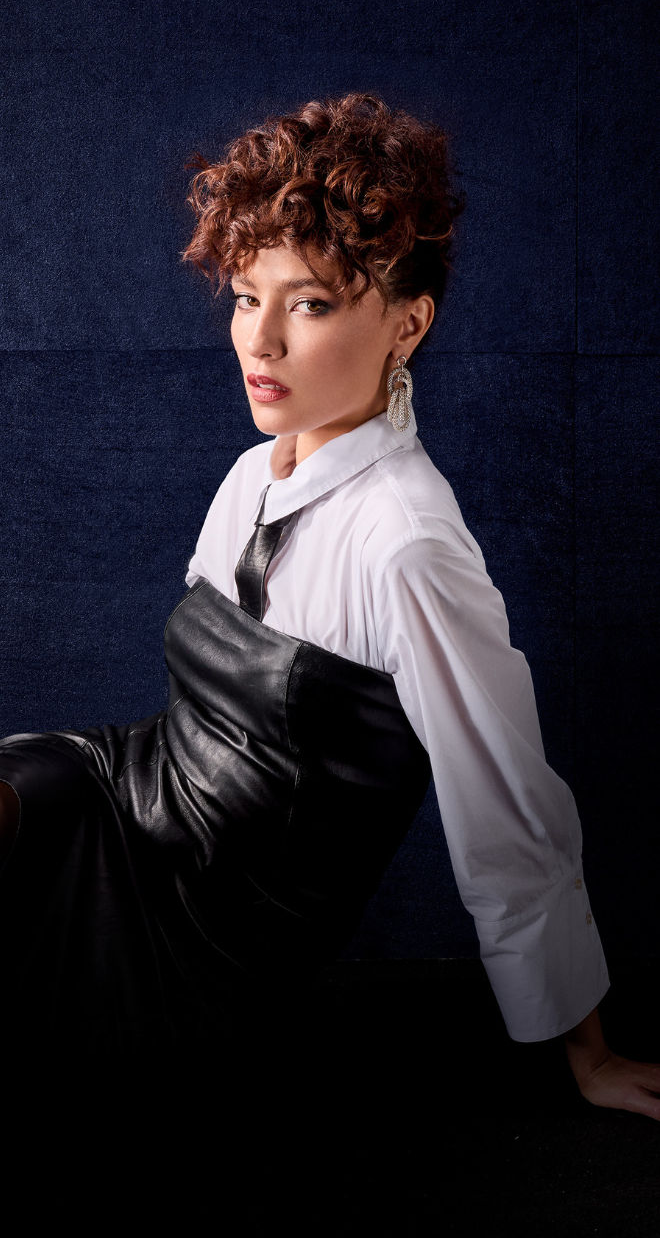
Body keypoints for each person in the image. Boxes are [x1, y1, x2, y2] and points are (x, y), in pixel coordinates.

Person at [0, 92, 658, 1124]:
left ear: (408, 323)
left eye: (306, 304)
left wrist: (590, 1052)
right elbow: (200, 724)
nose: (258, 341)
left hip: (198, 940)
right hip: (120, 800)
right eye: (244, 297)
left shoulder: (407, 542)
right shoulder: (250, 475)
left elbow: (506, 811)